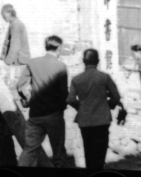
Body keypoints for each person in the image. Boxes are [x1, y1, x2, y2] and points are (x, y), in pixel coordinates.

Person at [16, 35, 68, 168]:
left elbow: (19, 85)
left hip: (35, 115)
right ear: (59, 48)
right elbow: (63, 95)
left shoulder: (33, 63)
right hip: (54, 115)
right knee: (58, 153)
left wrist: (27, 98)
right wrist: (62, 108)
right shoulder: (61, 66)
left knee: (29, 150)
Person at [67, 49, 123, 171]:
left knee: (88, 150)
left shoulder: (76, 79)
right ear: (97, 61)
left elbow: (70, 99)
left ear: (83, 61)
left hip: (85, 120)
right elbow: (116, 97)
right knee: (100, 152)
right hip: (102, 120)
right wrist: (108, 105)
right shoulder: (104, 77)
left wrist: (81, 107)